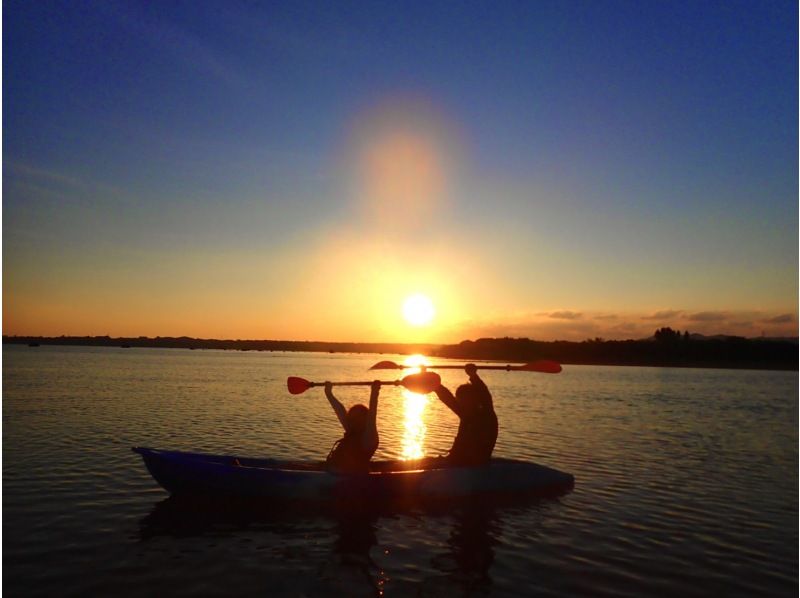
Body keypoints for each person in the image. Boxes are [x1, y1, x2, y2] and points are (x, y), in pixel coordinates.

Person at [434, 363, 498, 466]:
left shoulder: (486, 413)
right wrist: (436, 386)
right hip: (457, 460)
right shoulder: (465, 413)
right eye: (460, 401)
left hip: (473, 463)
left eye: (464, 401)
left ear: (475, 399)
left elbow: (484, 394)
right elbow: (449, 400)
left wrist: (473, 375)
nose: (461, 404)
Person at [324, 380, 380, 473]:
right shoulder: (352, 430)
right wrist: (329, 393)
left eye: (358, 418)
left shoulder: (369, 438)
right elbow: (340, 410)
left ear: (365, 420)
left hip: (352, 480)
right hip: (333, 472)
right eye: (352, 418)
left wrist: (374, 391)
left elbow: (372, 415)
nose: (354, 422)